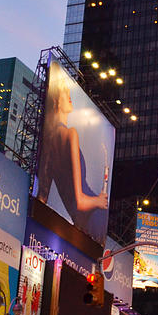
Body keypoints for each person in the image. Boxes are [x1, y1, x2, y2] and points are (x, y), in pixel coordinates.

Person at [36, 61, 109, 238]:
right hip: (92, 217)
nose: (69, 94)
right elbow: (80, 201)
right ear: (56, 100)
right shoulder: (70, 134)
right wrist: (99, 200)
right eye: (64, 91)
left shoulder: (50, 143)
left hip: (80, 225)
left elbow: (41, 201)